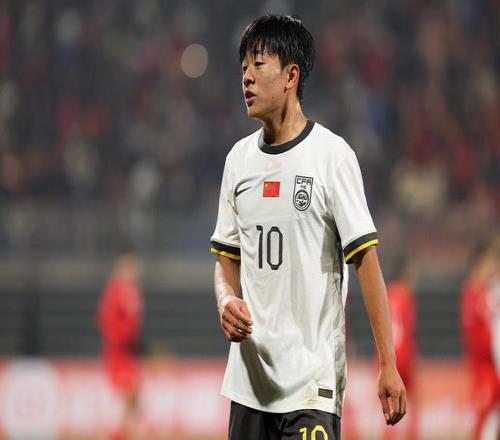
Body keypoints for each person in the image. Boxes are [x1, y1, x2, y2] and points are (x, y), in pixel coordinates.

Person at [210, 14, 406, 440]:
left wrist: (388, 363)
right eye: (243, 67)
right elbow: (226, 258)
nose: (246, 77)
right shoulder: (238, 161)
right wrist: (226, 299)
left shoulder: (332, 157)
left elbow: (367, 263)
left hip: (310, 387)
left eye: (258, 65)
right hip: (248, 387)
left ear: (290, 76)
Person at [97, 249, 143, 440]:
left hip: (127, 352)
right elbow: (109, 321)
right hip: (120, 352)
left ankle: (128, 432)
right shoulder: (119, 291)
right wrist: (118, 340)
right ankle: (119, 434)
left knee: (133, 395)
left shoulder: (125, 291)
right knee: (127, 393)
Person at [461, 238, 500, 440]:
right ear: (480, 263)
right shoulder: (472, 295)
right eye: (490, 263)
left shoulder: (489, 293)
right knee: (484, 421)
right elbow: (477, 341)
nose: (493, 268)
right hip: (484, 370)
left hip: (493, 369)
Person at [381, 258, 418, 440]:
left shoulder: (386, 293)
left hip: (388, 356)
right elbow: (408, 329)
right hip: (403, 356)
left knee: (389, 405)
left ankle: (389, 436)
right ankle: (412, 435)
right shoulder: (406, 295)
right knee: (412, 401)